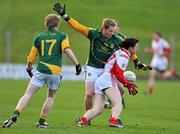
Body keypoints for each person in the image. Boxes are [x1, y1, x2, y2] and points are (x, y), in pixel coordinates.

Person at [53, 2, 151, 122]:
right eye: (110, 31)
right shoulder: (94, 34)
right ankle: (87, 117)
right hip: (93, 67)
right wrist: (64, 15)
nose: (112, 33)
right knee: (89, 94)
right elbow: (78, 26)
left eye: (113, 31)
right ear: (103, 29)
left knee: (121, 90)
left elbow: (130, 46)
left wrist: (136, 61)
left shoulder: (117, 39)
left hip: (107, 70)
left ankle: (114, 113)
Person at [2, 14, 81, 128]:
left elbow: (31, 57)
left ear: (46, 24)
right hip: (55, 72)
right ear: (58, 24)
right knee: (50, 97)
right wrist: (77, 64)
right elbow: (67, 50)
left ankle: (16, 114)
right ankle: (41, 122)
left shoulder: (39, 37)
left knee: (28, 94)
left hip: (41, 71)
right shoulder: (62, 35)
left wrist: (29, 68)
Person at [75, 38, 139, 128]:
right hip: (108, 79)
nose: (137, 49)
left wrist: (126, 84)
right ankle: (113, 121)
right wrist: (128, 84)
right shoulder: (124, 56)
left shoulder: (120, 52)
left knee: (98, 109)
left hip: (101, 80)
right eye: (136, 47)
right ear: (130, 48)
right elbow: (118, 73)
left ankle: (82, 120)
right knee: (118, 104)